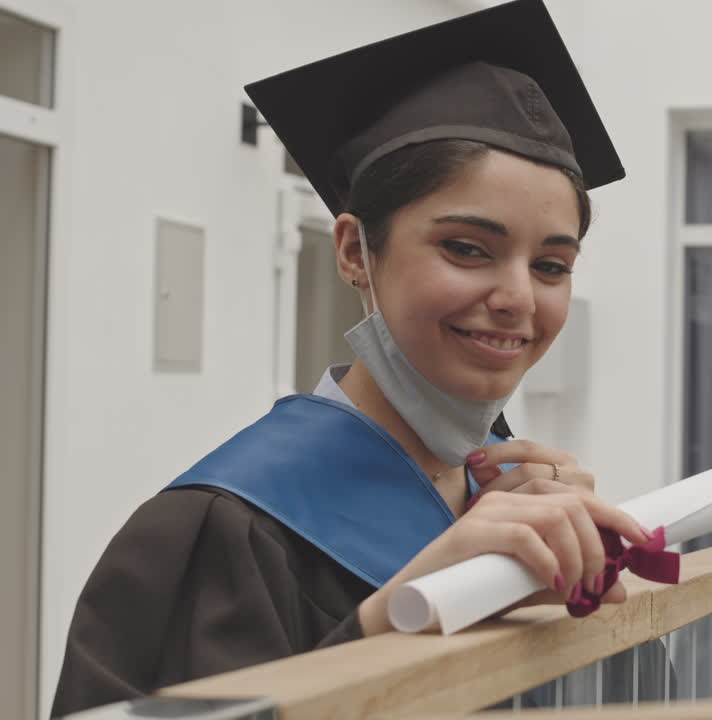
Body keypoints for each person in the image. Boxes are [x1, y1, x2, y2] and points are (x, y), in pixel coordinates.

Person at [51, 1, 658, 714]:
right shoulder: (223, 532)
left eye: (553, 265)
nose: (519, 298)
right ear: (352, 252)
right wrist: (386, 627)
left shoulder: (527, 504)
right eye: (467, 248)